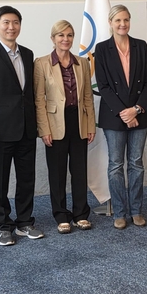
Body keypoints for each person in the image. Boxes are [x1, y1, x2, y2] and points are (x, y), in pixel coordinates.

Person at [0, 6, 43, 246]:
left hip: (26, 129)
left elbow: (29, 93)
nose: (11, 27)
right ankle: (3, 225)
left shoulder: (27, 53)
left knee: (26, 179)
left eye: (15, 22)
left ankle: (25, 222)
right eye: (6, 22)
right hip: (0, 132)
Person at [94, 4, 147, 229]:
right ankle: (120, 212)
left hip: (139, 114)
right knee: (115, 165)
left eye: (126, 20)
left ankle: (136, 210)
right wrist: (125, 113)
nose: (122, 24)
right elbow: (103, 85)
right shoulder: (102, 49)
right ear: (110, 23)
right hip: (114, 116)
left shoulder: (141, 46)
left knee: (136, 164)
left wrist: (136, 109)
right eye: (118, 20)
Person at [34, 20, 96, 234]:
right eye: (61, 35)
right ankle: (61, 215)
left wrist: (90, 125)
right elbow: (39, 100)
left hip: (78, 120)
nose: (65, 39)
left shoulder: (82, 63)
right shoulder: (41, 63)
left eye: (69, 35)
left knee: (79, 171)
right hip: (54, 123)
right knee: (57, 172)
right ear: (53, 39)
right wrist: (44, 129)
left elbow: (87, 97)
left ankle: (81, 214)